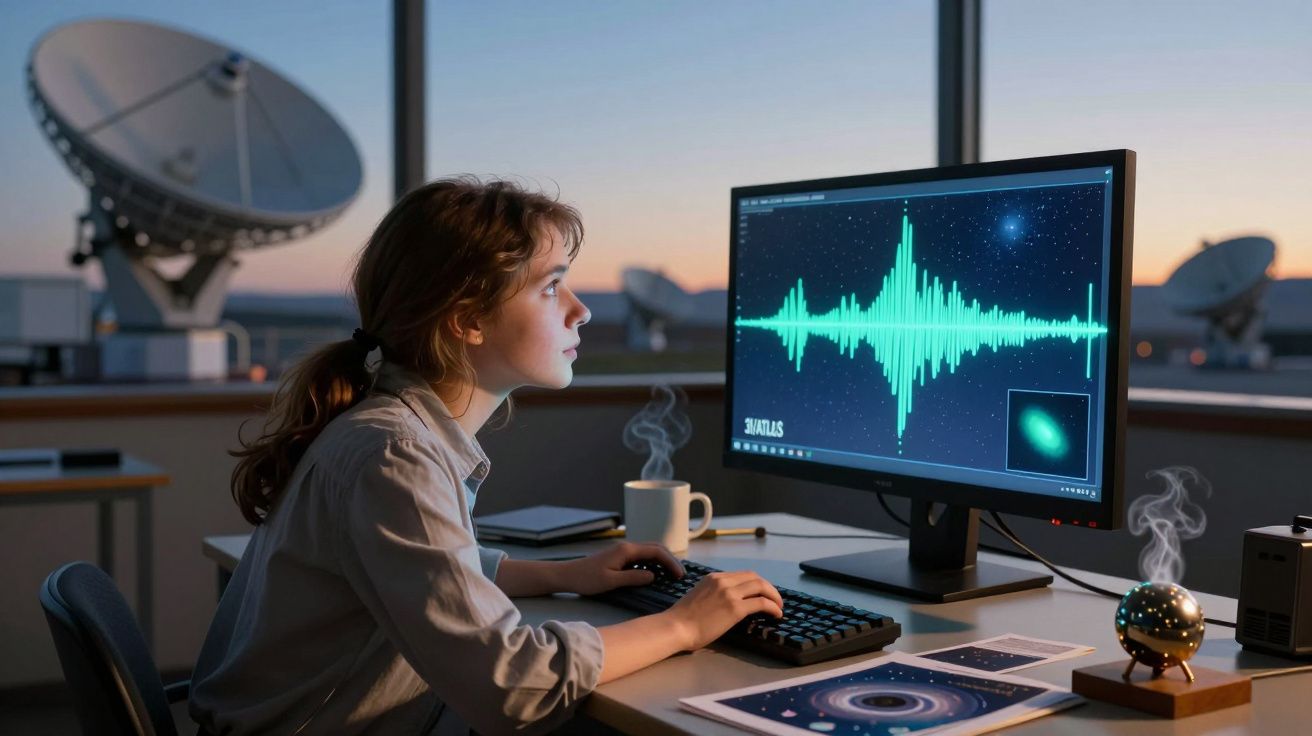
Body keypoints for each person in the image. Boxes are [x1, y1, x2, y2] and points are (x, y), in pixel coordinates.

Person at [190, 178, 784, 735]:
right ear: (467, 320)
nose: (582, 310)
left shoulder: (389, 429)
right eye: (552, 287)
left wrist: (559, 575)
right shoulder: (396, 454)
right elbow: (511, 687)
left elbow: (423, 568)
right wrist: (682, 624)